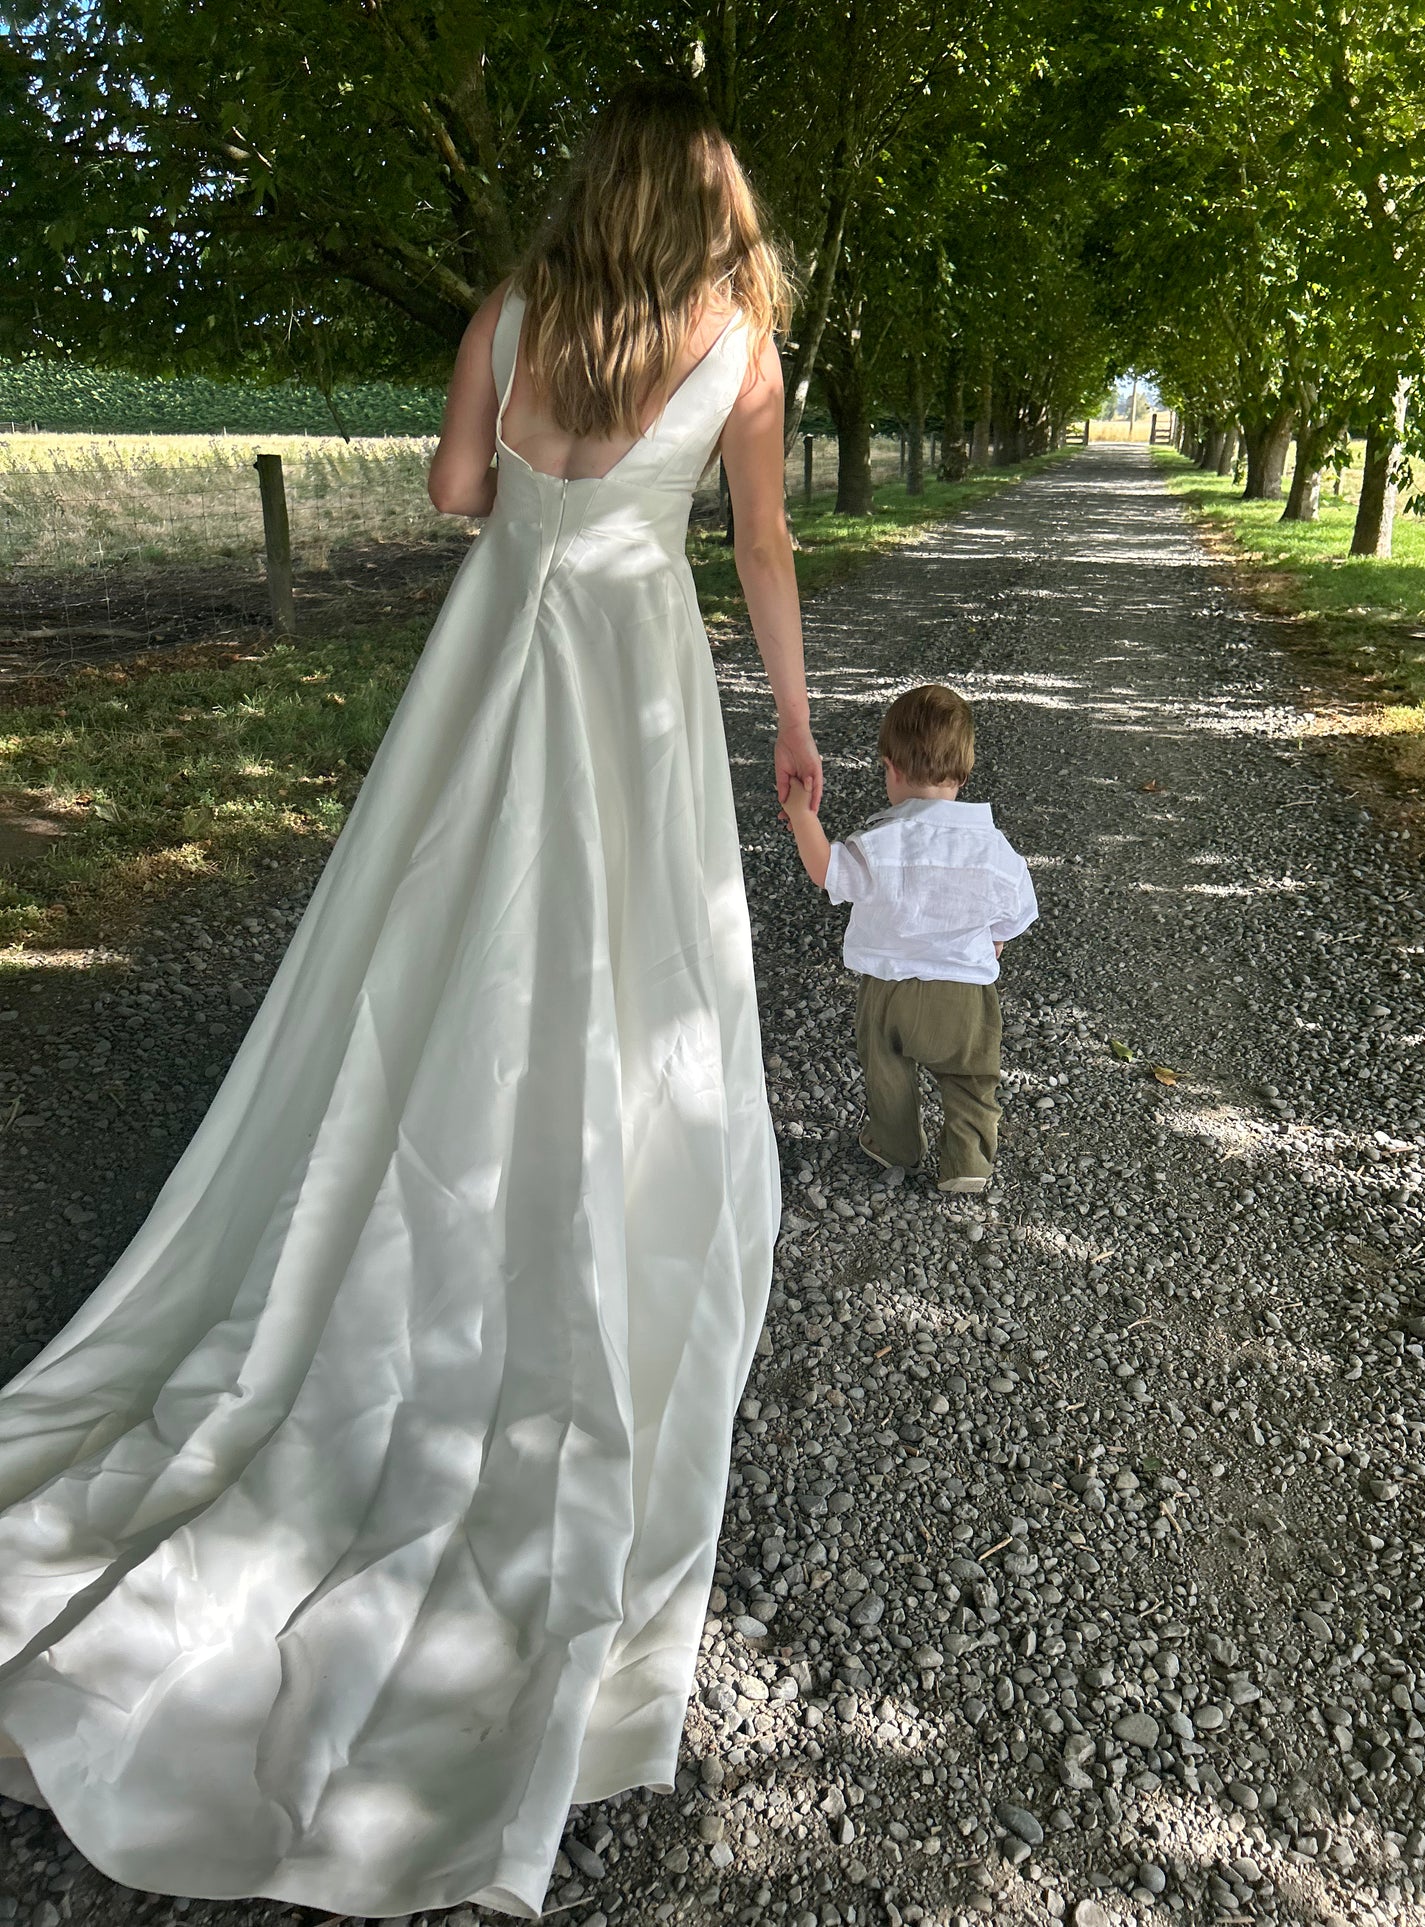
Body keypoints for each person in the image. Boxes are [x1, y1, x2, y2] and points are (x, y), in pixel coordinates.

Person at [0, 81, 819, 1921]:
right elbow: (759, 548)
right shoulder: (740, 338)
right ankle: (588, 1222)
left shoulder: (511, 316)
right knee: (627, 991)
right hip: (633, 696)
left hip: (492, 681)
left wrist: (529, 496)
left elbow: (458, 492)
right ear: (712, 206)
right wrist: (795, 732)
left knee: (424, 962)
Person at [780, 682, 1034, 1193]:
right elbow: (1017, 912)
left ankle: (894, 1143)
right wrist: (996, 939)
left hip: (888, 991)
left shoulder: (878, 844)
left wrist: (802, 815)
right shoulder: (995, 849)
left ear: (890, 767)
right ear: (964, 770)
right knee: (970, 1079)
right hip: (964, 994)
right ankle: (968, 1161)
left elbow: (827, 870)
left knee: (887, 1071)